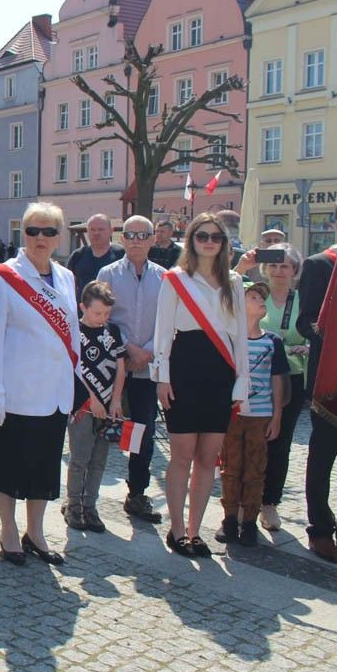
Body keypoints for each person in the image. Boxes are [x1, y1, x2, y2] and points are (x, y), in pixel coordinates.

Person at [0, 202, 78, 567]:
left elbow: (74, 336)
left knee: (44, 467)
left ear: (59, 236)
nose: (40, 238)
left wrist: (75, 386)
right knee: (8, 465)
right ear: (24, 234)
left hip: (54, 393)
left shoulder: (66, 277)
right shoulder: (2, 276)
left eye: (49, 231)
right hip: (16, 390)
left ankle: (35, 532)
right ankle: (7, 531)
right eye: (33, 230)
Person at [152, 212, 248, 558]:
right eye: (202, 236)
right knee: (182, 455)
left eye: (216, 237)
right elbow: (162, 332)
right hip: (184, 367)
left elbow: (239, 336)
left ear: (224, 243)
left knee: (208, 457)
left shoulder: (234, 282)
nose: (209, 242)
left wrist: (242, 381)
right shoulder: (175, 279)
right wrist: (161, 377)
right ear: (191, 240)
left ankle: (195, 531)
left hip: (220, 370)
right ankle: (176, 529)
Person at [96, 215, 164, 523]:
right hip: (114, 368)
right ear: (122, 239)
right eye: (130, 234)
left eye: (143, 235)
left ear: (153, 239)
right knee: (103, 431)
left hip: (147, 368)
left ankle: (137, 492)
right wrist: (128, 348)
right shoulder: (107, 273)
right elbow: (101, 318)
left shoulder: (165, 278)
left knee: (144, 432)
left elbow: (167, 320)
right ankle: (84, 496)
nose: (136, 240)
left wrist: (148, 350)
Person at [296, 193, 337, 563]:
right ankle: (320, 527)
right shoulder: (320, 264)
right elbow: (304, 321)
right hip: (330, 380)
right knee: (323, 455)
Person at [214, 281, 289, 547]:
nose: (260, 302)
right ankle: (230, 518)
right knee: (231, 468)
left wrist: (277, 415)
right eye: (253, 296)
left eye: (262, 298)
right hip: (234, 415)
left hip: (260, 415)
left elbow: (278, 379)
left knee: (255, 469)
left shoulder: (272, 342)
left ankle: (249, 522)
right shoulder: (230, 339)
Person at [243, 243, 306, 532]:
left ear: (295, 271)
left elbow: (317, 334)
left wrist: (304, 347)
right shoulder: (253, 293)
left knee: (279, 440)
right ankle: (245, 500)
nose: (279, 271)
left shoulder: (304, 299)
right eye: (274, 265)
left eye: (285, 266)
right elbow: (225, 290)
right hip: (253, 376)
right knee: (249, 438)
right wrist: (245, 262)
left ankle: (270, 502)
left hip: (289, 377)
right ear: (266, 268)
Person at [64, 281, 125, 533]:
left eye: (106, 314)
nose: (102, 318)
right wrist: (93, 400)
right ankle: (73, 505)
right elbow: (75, 370)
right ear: (83, 307)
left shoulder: (113, 331)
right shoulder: (73, 332)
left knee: (100, 459)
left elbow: (121, 367)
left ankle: (90, 506)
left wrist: (116, 399)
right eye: (97, 313)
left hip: (109, 405)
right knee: (79, 458)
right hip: (83, 406)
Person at [67, 213, 124, 297]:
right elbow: (68, 286)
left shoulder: (121, 254)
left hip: (113, 309)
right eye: (92, 229)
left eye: (101, 229)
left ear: (111, 231)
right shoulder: (78, 255)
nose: (96, 233)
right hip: (82, 309)